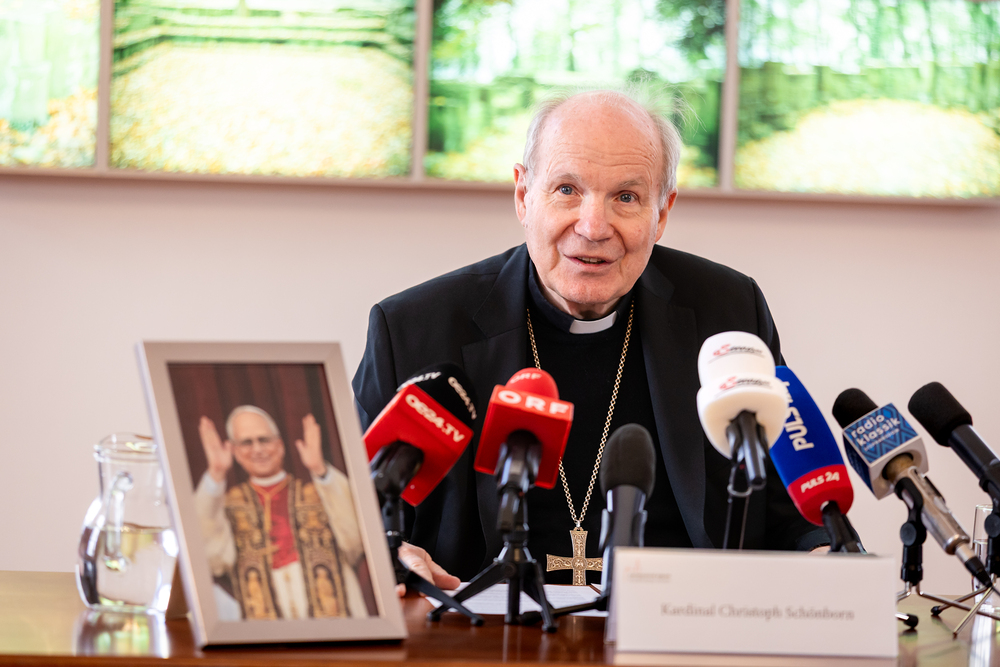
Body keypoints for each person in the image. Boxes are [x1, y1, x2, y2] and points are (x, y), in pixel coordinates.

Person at [352, 87, 828, 589]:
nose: (594, 226)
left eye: (626, 197)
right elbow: (353, 517)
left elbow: (793, 506)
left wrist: (826, 551)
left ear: (662, 213)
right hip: (479, 628)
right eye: (567, 190)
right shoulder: (414, 331)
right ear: (523, 196)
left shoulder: (727, 312)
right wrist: (383, 554)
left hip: (683, 621)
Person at [193, 405, 370, 619]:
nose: (257, 449)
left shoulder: (320, 493)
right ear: (236, 452)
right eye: (247, 443)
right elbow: (213, 560)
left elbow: (356, 542)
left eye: (264, 440)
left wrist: (320, 470)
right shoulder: (227, 505)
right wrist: (216, 474)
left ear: (280, 445)